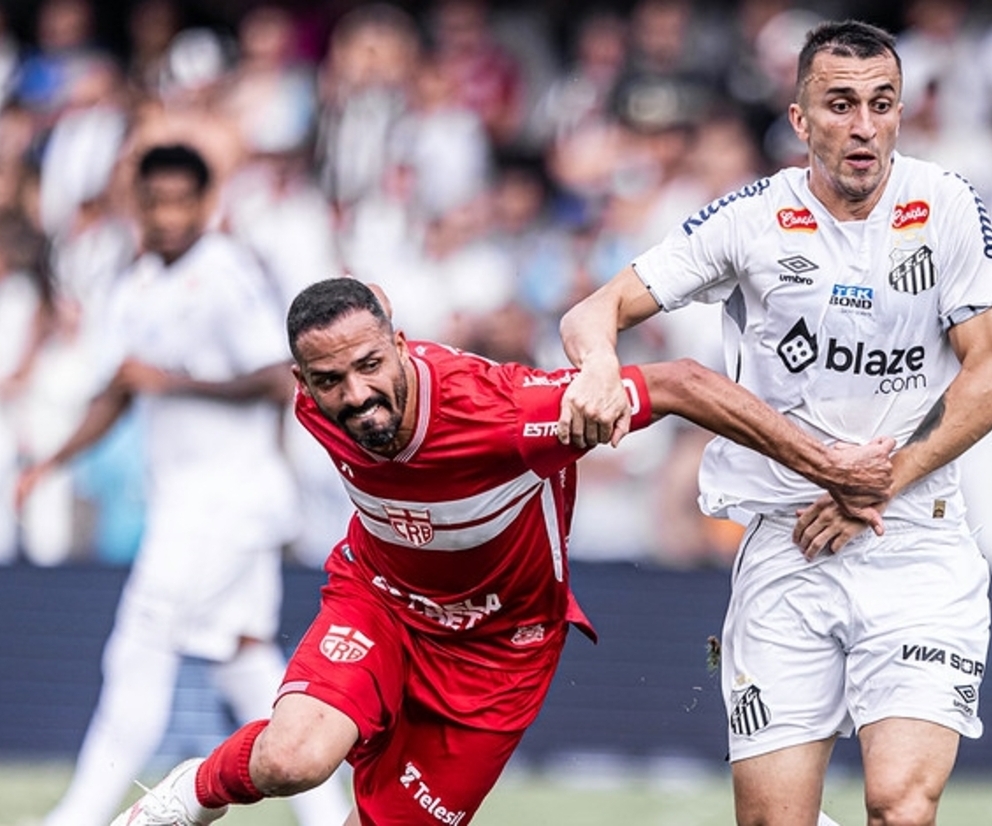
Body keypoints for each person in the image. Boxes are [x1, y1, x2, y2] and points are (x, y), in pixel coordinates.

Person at [109, 275, 896, 826]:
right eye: (329, 379)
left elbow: (684, 382)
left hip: (497, 653)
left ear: (399, 344)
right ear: (302, 380)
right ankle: (187, 798)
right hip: (380, 605)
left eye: (370, 366)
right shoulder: (317, 405)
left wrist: (831, 469)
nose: (355, 396)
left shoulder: (506, 416)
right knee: (294, 760)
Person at [558, 19, 992, 826]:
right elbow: (594, 311)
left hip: (915, 537)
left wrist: (871, 485)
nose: (864, 125)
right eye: (840, 105)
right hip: (787, 543)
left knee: (901, 805)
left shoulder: (945, 204)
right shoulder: (751, 218)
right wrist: (599, 365)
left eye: (882, 103)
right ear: (801, 120)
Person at [16, 144, 350, 826]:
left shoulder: (226, 272)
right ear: (136, 204)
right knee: (243, 657)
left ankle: (78, 817)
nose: (168, 215)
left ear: (206, 203)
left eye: (181, 201)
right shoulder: (134, 284)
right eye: (155, 201)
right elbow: (119, 390)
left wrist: (171, 383)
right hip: (189, 501)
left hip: (227, 498)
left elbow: (276, 376)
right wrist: (50, 462)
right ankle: (328, 817)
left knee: (139, 645)